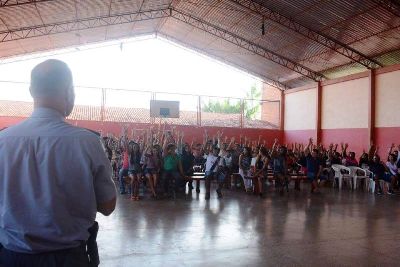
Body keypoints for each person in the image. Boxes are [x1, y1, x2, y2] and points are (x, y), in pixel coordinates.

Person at [0, 59, 116, 266]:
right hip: (68, 258)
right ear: (69, 91)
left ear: (31, 91)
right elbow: (107, 206)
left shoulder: (3, 141)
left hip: (11, 256)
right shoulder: (87, 142)